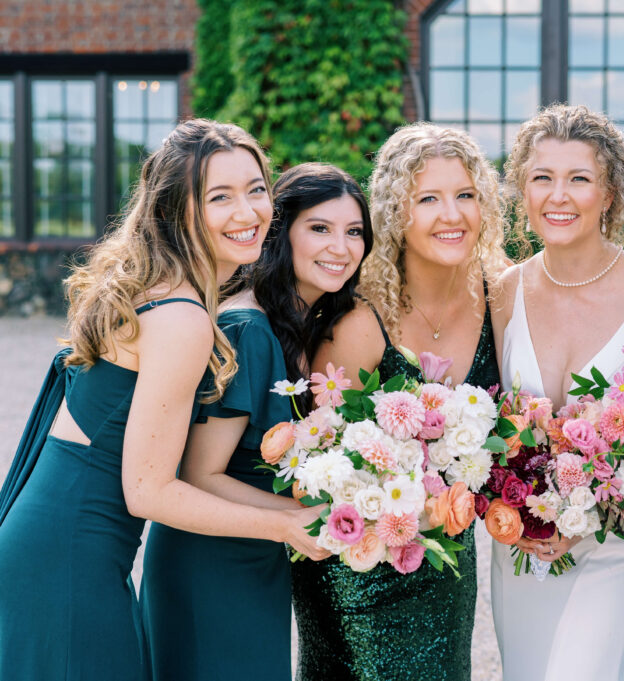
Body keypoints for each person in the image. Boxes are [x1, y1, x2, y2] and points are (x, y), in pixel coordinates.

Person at [0, 119, 325, 681]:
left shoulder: (161, 291)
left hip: (52, 545)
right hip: (70, 561)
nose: (247, 212)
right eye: (219, 197)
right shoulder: (183, 319)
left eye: (255, 189)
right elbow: (149, 491)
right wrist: (285, 527)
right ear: (178, 210)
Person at [489, 104, 624, 681]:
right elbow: (492, 425)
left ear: (609, 194)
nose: (559, 196)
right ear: (522, 190)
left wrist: (592, 508)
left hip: (613, 544)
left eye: (579, 179)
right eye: (542, 178)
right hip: (520, 545)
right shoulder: (506, 291)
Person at [290, 123, 507, 681]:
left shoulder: (502, 299)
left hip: (446, 564)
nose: (451, 214)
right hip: (358, 565)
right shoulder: (361, 320)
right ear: (395, 212)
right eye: (428, 198)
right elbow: (319, 462)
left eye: (465, 195)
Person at [140, 163, 369, 680]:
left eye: (354, 232)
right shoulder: (250, 328)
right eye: (320, 228)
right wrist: (312, 515)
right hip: (211, 564)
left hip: (255, 556)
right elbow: (201, 474)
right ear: (280, 231)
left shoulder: (297, 324)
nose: (341, 247)